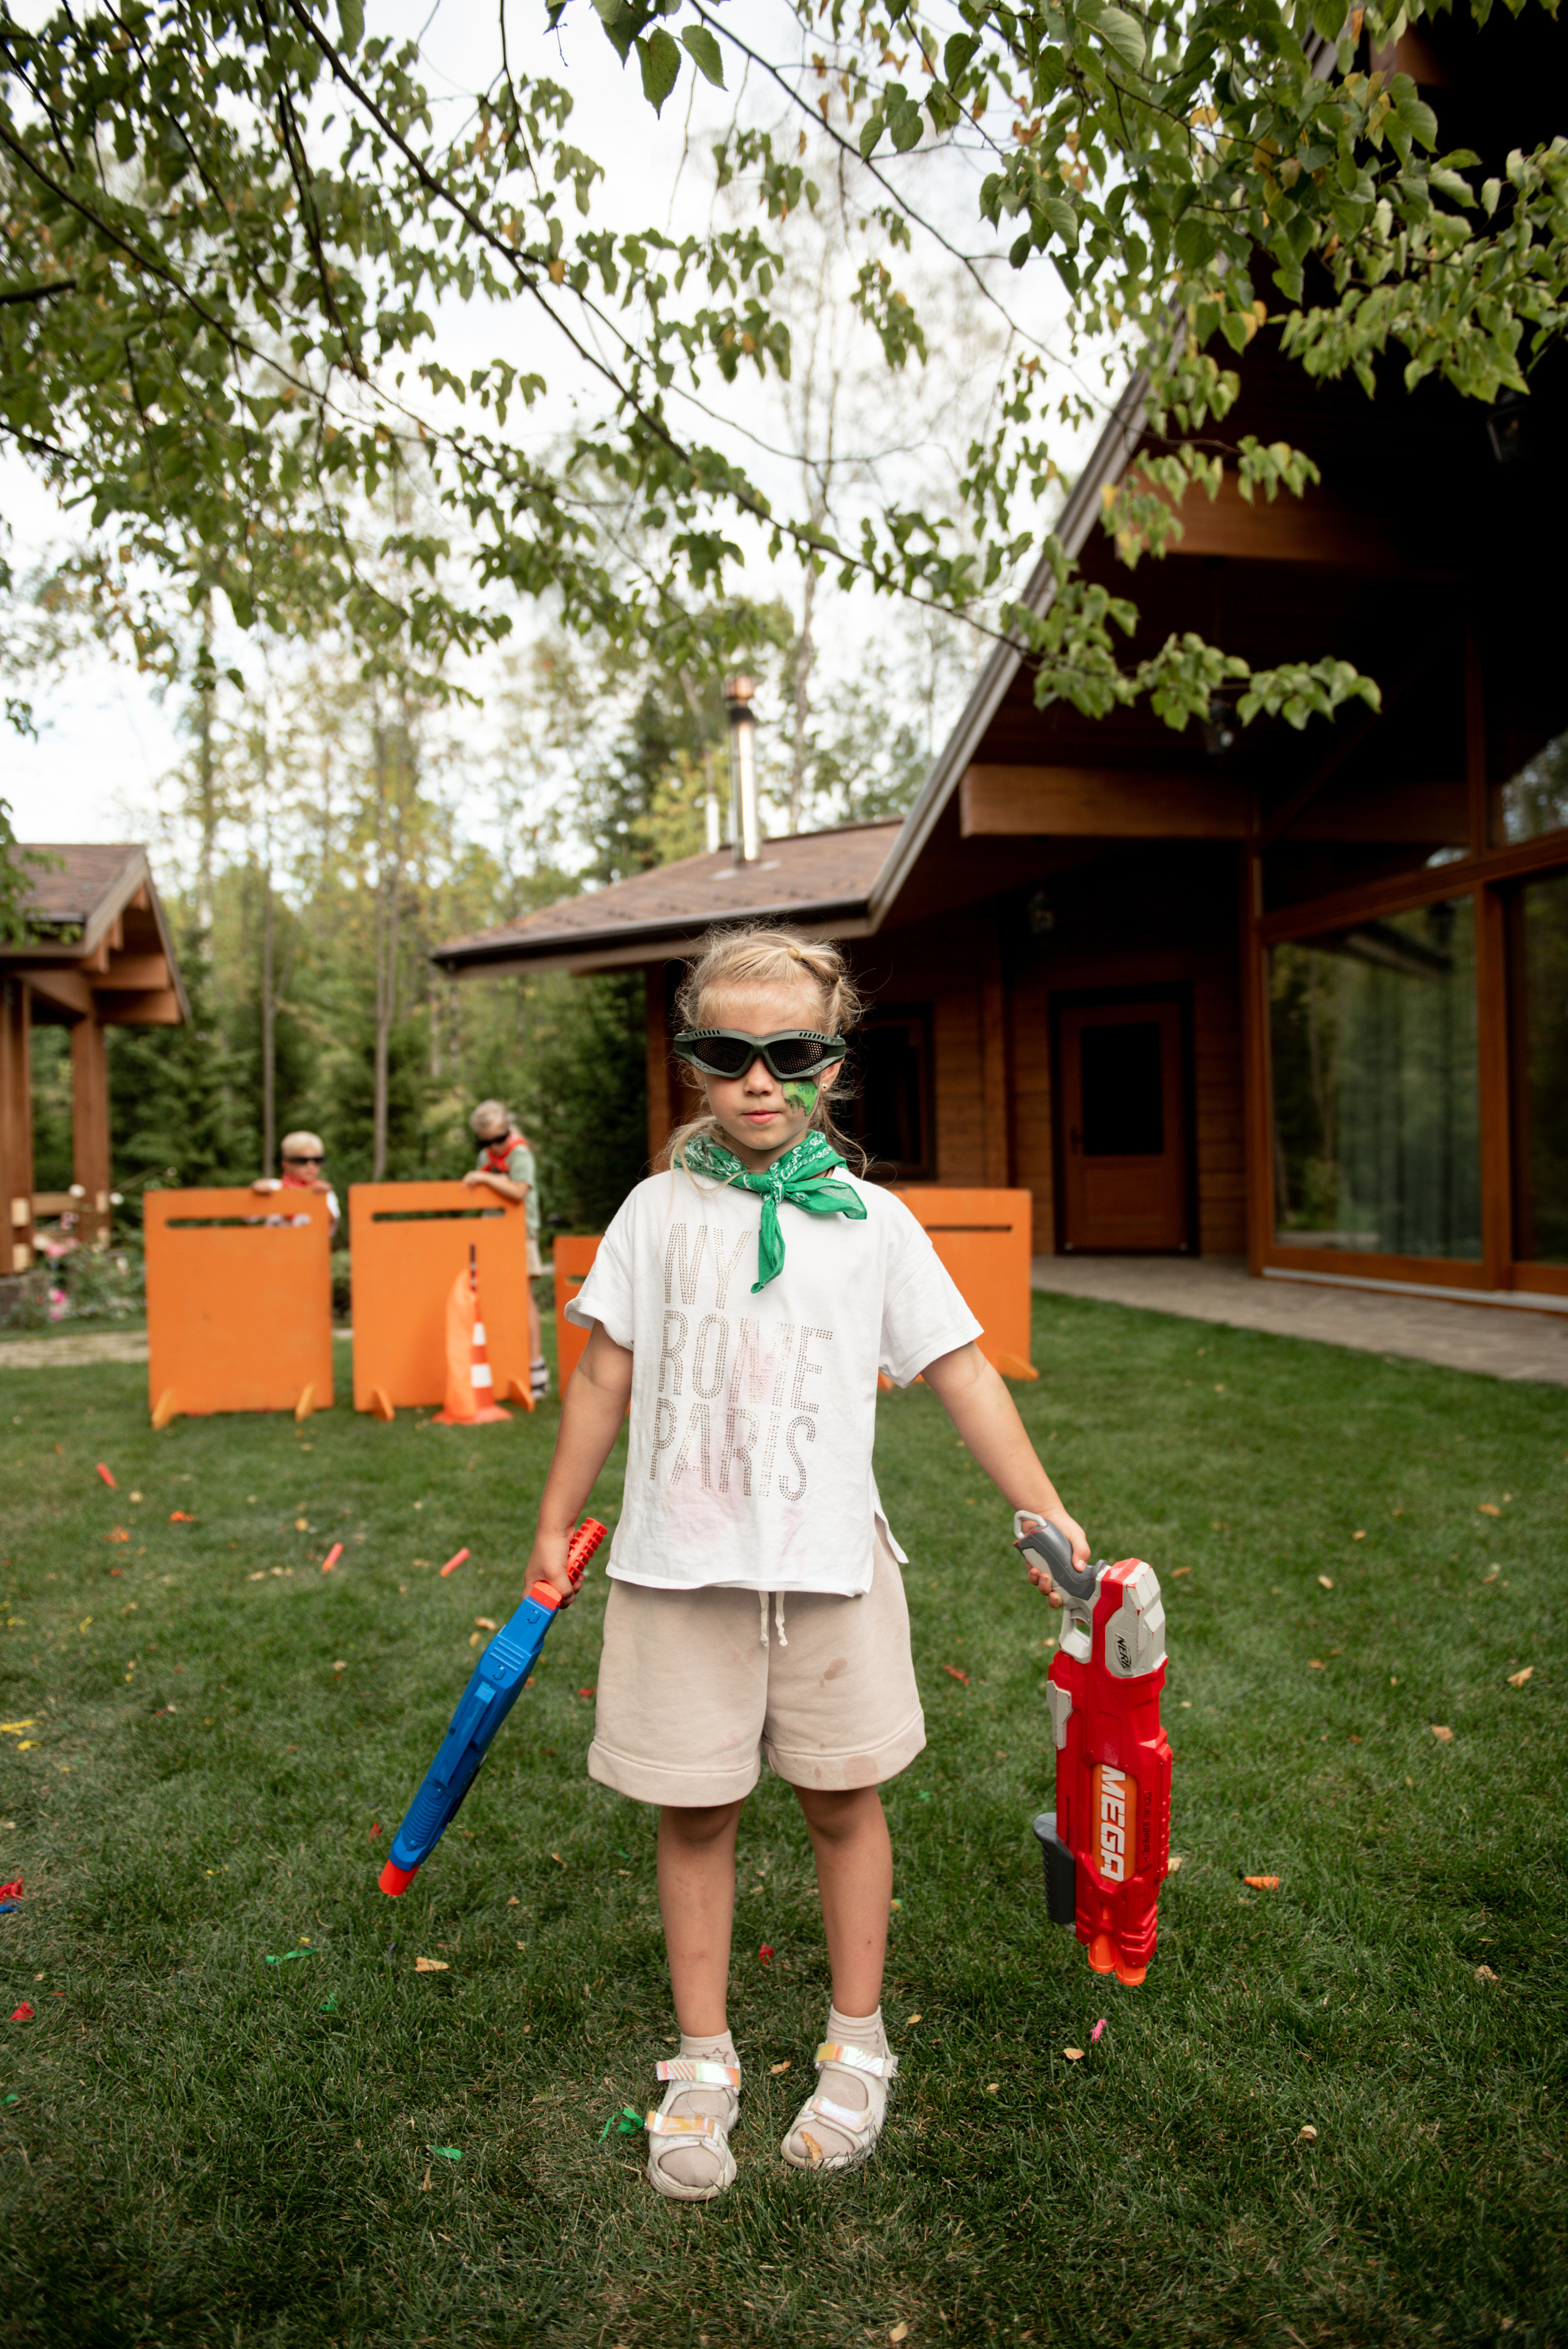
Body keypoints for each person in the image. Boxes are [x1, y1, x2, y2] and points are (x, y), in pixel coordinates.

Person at [521, 923, 1088, 2202]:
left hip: (832, 1572)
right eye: (729, 1053)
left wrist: (1042, 1507)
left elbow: (959, 1369)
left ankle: (855, 2045)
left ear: (833, 1062)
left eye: (790, 1052)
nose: (759, 1079)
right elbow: (603, 1371)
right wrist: (554, 1516)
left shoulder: (873, 1227)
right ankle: (704, 2061)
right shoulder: (654, 1213)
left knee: (843, 1801)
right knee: (696, 1810)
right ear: (692, 1063)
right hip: (678, 1573)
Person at [462, 1100, 547, 1400]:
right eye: (487, 1142)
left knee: (522, 1298)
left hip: (520, 1233)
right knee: (494, 1296)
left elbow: (518, 1192)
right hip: (493, 1232)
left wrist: (488, 1178)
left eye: (500, 1138)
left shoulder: (520, 1154)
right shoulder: (484, 1157)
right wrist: (491, 1177)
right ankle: (503, 1362)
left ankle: (535, 1366)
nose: (495, 1147)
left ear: (508, 1130)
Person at [251, 1131, 339, 1236]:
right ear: (286, 1164)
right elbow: (250, 1216)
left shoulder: (325, 1194)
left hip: (309, 1249)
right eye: (302, 1161)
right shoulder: (275, 1187)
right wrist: (256, 1191)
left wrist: (320, 1200)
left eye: (317, 1160)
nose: (310, 1165)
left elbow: (330, 1227)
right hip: (275, 1249)